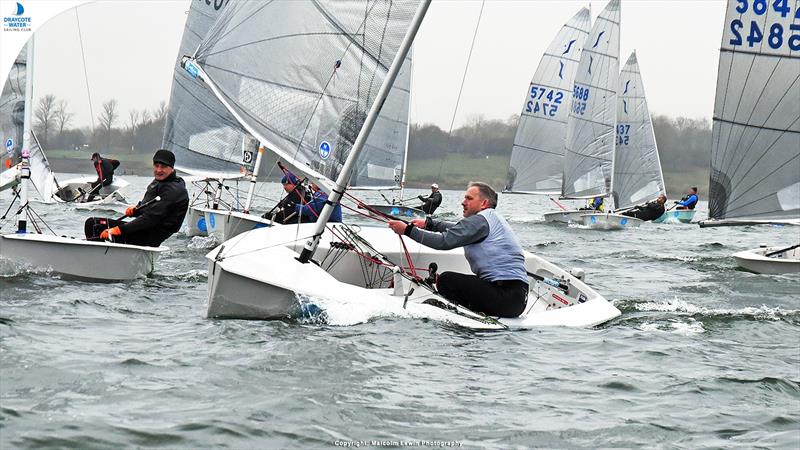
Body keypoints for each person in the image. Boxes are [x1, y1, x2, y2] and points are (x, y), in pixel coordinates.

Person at [388, 182, 528, 318]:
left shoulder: (479, 221)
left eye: (469, 198)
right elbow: (458, 229)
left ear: (483, 203)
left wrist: (407, 230)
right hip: (516, 299)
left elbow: (443, 242)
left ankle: (462, 314)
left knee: (446, 280)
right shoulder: (490, 218)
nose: (463, 202)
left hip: (507, 297)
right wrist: (430, 224)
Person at [84, 149, 188, 247]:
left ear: (172, 168)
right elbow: (148, 206)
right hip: (143, 229)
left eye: (163, 167)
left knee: (95, 226)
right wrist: (136, 210)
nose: (158, 170)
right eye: (156, 166)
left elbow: (151, 218)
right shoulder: (159, 181)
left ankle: (98, 259)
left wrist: (119, 230)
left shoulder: (174, 190)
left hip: (151, 237)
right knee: (92, 223)